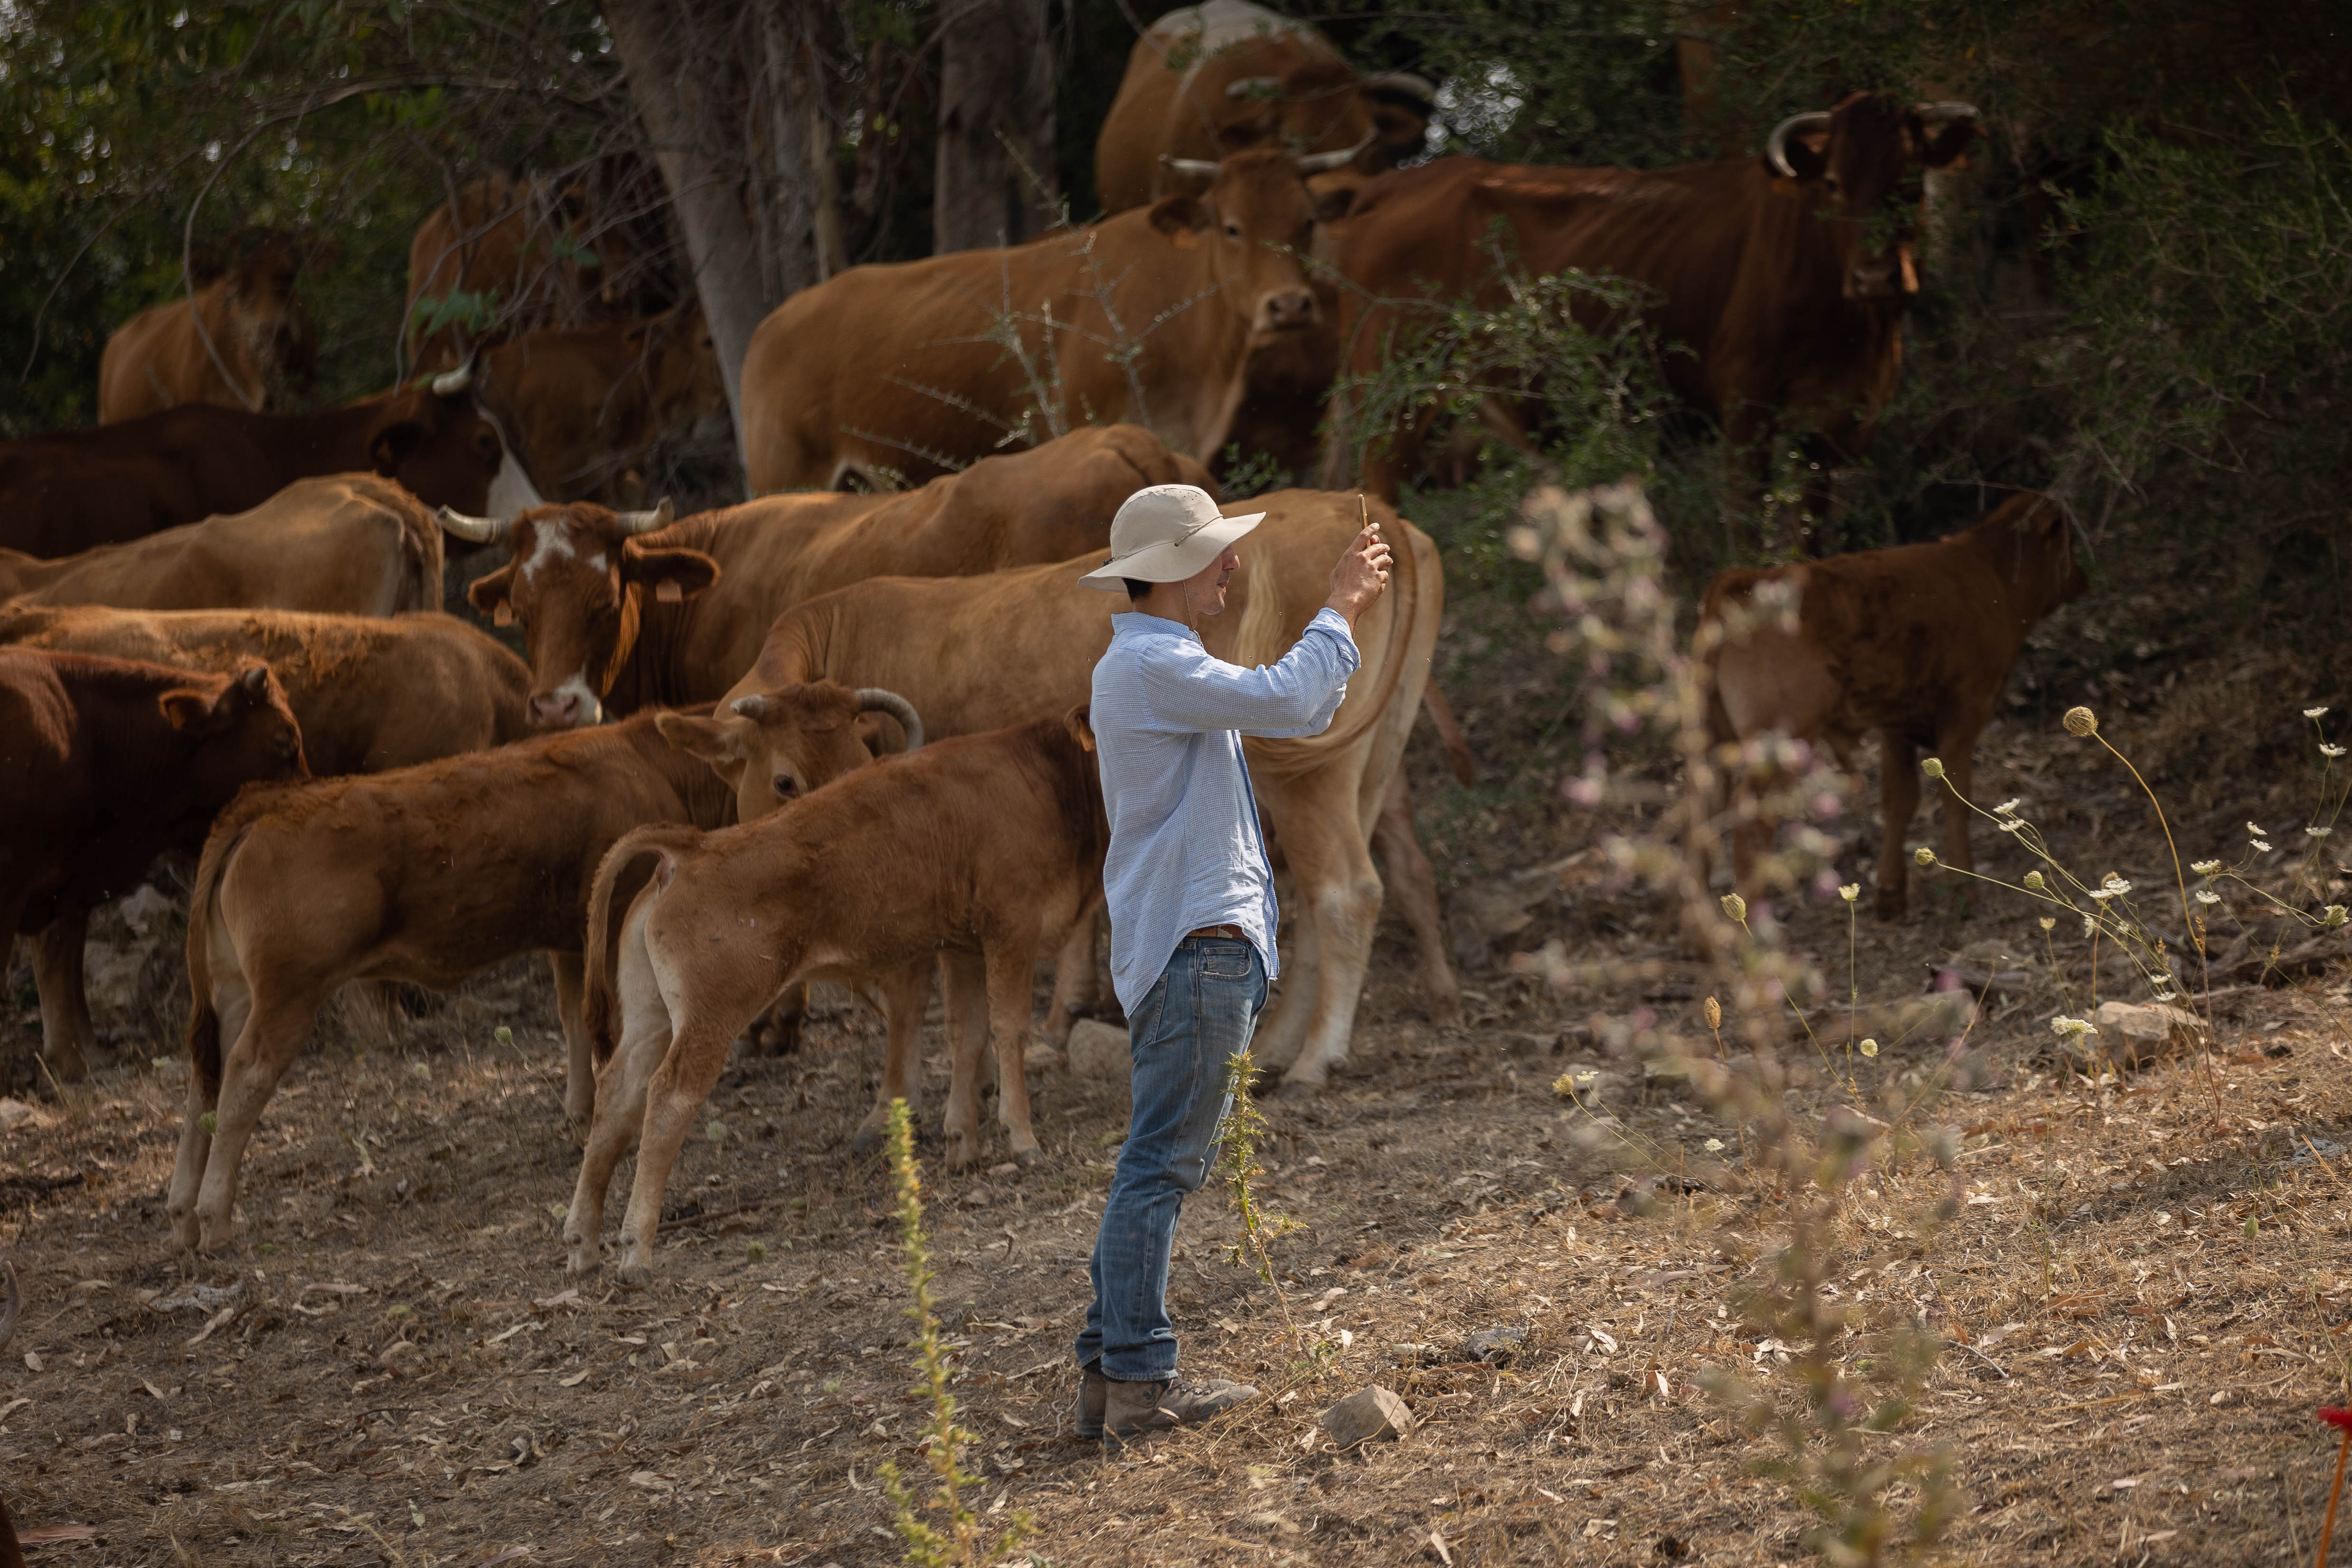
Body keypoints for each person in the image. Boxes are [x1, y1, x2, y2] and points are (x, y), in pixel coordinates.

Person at [1068, 482, 1391, 1441]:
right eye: (1217, 554)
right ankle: (1136, 1382)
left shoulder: (1151, 663)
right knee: (1159, 1167)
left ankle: (1109, 1377)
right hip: (1197, 946)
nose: (1233, 566)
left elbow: (1292, 706)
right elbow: (1288, 700)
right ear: (1175, 569)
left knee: (1153, 1162)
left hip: (1189, 945)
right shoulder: (1154, 663)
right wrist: (1339, 604)